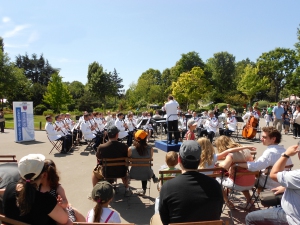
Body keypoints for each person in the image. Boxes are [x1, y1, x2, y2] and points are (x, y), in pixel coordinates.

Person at [156, 141, 223, 225]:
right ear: (200, 160)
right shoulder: (215, 185)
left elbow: (165, 220)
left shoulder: (167, 187)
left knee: (155, 217)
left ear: (179, 160)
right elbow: (218, 213)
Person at [2, 154, 69, 225]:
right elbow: (64, 220)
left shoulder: (9, 187)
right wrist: (64, 207)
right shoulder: (46, 200)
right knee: (69, 222)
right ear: (44, 175)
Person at [245, 145, 300, 225]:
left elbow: (272, 174)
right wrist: (286, 187)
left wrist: (286, 155)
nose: (261, 139)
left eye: (264, 137)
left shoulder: (270, 152)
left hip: (293, 217)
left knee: (250, 218)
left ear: (273, 138)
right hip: (282, 186)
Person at [214, 136, 256, 209]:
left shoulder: (231, 154)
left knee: (217, 180)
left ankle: (227, 201)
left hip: (238, 184)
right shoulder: (245, 150)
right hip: (251, 183)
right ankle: (250, 201)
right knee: (241, 177)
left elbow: (224, 166)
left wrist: (217, 164)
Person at [95, 126, 131, 197]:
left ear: (107, 135)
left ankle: (96, 192)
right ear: (117, 135)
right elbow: (127, 157)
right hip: (121, 171)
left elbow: (98, 157)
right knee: (124, 168)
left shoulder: (101, 147)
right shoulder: (124, 146)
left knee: (94, 172)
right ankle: (127, 189)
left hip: (107, 172)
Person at [128, 130, 159, 196]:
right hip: (147, 174)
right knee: (145, 167)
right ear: (145, 138)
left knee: (141, 167)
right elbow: (150, 157)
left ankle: (127, 189)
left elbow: (128, 158)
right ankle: (144, 188)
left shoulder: (131, 149)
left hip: (133, 174)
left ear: (135, 138)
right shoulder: (150, 148)